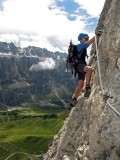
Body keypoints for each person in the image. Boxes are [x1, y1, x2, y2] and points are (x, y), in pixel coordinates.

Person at [70, 32, 101, 107]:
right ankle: (87, 87)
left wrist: (97, 38)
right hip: (79, 65)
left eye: (87, 38)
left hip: (79, 66)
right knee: (89, 69)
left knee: (80, 84)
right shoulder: (80, 46)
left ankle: (74, 99)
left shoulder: (81, 47)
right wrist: (96, 35)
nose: (87, 40)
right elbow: (89, 43)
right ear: (81, 39)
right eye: (86, 38)